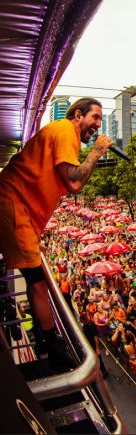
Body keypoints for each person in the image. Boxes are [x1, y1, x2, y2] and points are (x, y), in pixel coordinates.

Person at [0, 97, 112, 367]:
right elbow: (74, 180)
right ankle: (53, 345)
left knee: (34, 278)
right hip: (13, 204)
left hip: (18, 208)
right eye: (94, 117)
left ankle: (45, 338)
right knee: (37, 280)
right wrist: (96, 153)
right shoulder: (64, 131)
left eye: (100, 119)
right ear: (77, 115)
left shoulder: (65, 134)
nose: (97, 125)